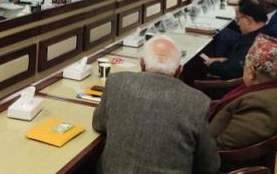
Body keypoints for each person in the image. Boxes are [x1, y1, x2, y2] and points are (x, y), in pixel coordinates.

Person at [92, 35, 220, 174]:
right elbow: (210, 166)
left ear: (142, 64)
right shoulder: (198, 102)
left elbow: (99, 124)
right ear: (179, 70)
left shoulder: (116, 83)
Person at [209, 34, 277, 150]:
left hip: (217, 155)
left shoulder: (258, 105)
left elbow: (221, 146)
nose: (243, 68)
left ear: (251, 72)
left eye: (244, 65)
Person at [205, 0, 269, 80]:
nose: (238, 24)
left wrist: (213, 65)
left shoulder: (252, 44)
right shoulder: (266, 32)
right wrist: (226, 60)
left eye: (237, 19)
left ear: (248, 20)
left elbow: (231, 71)